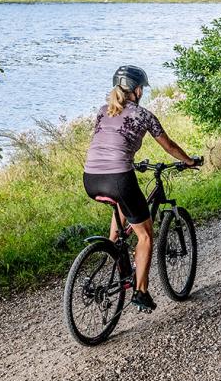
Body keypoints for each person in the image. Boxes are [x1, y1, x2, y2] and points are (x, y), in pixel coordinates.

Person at [83, 64, 199, 312]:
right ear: (136, 90)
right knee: (145, 235)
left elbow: (109, 142)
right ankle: (141, 291)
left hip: (91, 178)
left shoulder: (103, 111)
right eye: (141, 89)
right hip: (118, 178)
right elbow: (168, 145)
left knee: (121, 207)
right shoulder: (143, 115)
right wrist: (188, 161)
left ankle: (111, 250)